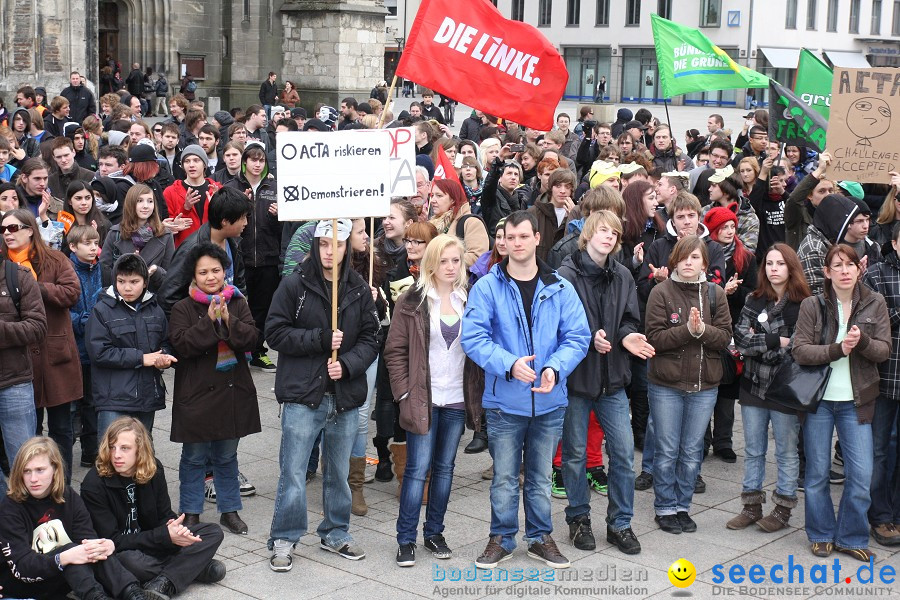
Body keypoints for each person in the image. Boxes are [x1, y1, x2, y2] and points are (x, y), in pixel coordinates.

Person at [461, 210, 590, 570]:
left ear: (537, 238)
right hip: (505, 401)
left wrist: (554, 367)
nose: (516, 243)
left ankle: (539, 537)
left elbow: (577, 337)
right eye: (509, 237)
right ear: (502, 241)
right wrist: (508, 363)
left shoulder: (560, 286)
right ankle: (501, 538)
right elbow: (473, 337)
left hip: (549, 400)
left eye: (523, 236)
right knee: (503, 477)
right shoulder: (488, 285)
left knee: (539, 476)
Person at [266, 219, 379, 572]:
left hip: (343, 393)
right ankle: (284, 537)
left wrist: (346, 364)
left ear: (348, 247)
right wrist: (318, 339)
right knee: (294, 471)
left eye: (339, 244)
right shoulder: (294, 284)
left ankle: (335, 531)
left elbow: (372, 338)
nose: (331, 252)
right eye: (325, 244)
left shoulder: (359, 288)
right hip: (303, 394)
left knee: (338, 472)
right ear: (315, 245)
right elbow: (274, 333)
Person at [557, 211, 651, 555]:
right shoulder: (565, 275)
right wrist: (586, 339)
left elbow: (628, 319)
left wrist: (625, 337)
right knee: (575, 455)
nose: (609, 237)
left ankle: (620, 523)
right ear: (587, 235)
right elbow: (559, 325)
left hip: (613, 380)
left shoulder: (623, 274)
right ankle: (578, 518)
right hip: (578, 381)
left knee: (624, 455)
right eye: (603, 231)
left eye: (615, 232)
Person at [793, 244, 890, 561]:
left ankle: (851, 536)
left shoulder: (874, 302)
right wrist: (838, 350)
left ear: (859, 269)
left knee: (861, 476)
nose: (845, 270)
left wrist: (860, 341)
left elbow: (883, 351)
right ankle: (820, 533)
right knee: (818, 473)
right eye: (838, 265)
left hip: (857, 401)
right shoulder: (813, 304)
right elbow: (800, 351)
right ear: (827, 271)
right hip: (819, 401)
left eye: (850, 264)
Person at [384, 234, 471, 566]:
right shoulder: (413, 300)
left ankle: (434, 532)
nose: (450, 267)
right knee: (417, 470)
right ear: (431, 264)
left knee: (445, 469)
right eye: (444, 261)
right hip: (422, 397)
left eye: (455, 261)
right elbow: (394, 351)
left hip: (457, 400)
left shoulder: (470, 298)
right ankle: (405, 538)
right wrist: (404, 392)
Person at [169, 243, 261, 536]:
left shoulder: (237, 302)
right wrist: (209, 321)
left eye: (216, 271)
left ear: (225, 272)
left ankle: (230, 511)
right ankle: (191, 511)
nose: (211, 277)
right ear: (193, 276)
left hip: (231, 391)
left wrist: (227, 319)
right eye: (203, 272)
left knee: (226, 456)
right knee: (194, 457)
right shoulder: (183, 307)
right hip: (196, 394)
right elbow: (182, 345)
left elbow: (252, 339)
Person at [80, 417, 227, 599]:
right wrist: (164, 536)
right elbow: (112, 541)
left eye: (125, 448)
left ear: (139, 450)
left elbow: (163, 515)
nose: (116, 454)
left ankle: (163, 581)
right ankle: (190, 571)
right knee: (130, 563)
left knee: (212, 532)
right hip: (125, 551)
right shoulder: (94, 483)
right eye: (112, 447)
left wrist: (175, 528)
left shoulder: (153, 468)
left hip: (154, 544)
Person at [644, 235, 732, 534]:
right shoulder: (661, 292)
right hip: (666, 385)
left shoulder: (715, 294)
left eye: (695, 257)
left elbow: (724, 337)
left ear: (704, 262)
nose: (689, 262)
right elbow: (654, 338)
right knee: (667, 449)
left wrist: (702, 330)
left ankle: (683, 506)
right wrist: (687, 331)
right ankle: (665, 506)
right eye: (684, 257)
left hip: (704, 385)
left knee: (692, 449)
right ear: (675, 260)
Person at [0, 436, 149, 600]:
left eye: (40, 470)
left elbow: (86, 538)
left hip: (65, 579)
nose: (33, 479)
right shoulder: (11, 507)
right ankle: (96, 596)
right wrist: (62, 558)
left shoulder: (68, 496)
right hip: (25, 586)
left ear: (55, 469)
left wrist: (101, 546)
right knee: (70, 550)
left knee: (93, 547)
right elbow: (23, 567)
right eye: (26, 471)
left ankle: (133, 593)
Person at [730, 244, 810, 532]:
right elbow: (740, 341)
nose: (773, 268)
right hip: (753, 384)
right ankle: (751, 506)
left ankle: (783, 509)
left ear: (791, 267)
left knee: (787, 452)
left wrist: (760, 342)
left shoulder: (803, 305)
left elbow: (799, 347)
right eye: (769, 263)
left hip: (784, 388)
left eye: (780, 263)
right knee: (753, 449)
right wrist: (776, 341)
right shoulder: (753, 300)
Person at [1, 208, 81, 482]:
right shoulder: (3, 264)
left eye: (13, 228)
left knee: (61, 428)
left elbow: (73, 292)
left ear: (29, 230)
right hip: (19, 362)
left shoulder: (54, 258)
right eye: (3, 229)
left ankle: (64, 486)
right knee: (27, 433)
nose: (7, 234)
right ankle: (35, 485)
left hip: (55, 355)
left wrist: (36, 287)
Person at [86, 253, 176, 437]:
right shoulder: (102, 310)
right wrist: (141, 358)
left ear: (145, 282)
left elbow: (166, 342)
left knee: (142, 454)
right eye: (121, 281)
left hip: (146, 395)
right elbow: (99, 352)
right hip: (113, 399)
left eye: (134, 282)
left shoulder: (155, 309)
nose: (127, 287)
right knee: (111, 455)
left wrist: (164, 357)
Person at [225, 141, 281, 371]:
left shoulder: (275, 187)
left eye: (261, 160)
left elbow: (285, 228)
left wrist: (281, 215)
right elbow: (225, 221)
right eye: (253, 159)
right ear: (245, 161)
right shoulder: (231, 186)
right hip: (241, 257)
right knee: (238, 307)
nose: (257, 164)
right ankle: (237, 349)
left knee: (263, 308)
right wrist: (243, 206)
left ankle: (258, 350)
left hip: (268, 258)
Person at [862, 222, 900, 546]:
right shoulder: (876, 274)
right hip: (887, 374)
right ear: (896, 242)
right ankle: (880, 515)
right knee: (881, 448)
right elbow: (873, 322)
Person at [0, 241, 46, 494]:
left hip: (14, 383)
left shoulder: (19, 277)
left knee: (25, 462)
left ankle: (30, 520)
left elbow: (38, 327)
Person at [67, 225, 104, 470]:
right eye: (87, 244)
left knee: (92, 402)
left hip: (92, 349)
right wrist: (85, 320)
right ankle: (63, 454)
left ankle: (90, 453)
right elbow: (63, 312)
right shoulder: (68, 270)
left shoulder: (96, 267)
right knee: (71, 405)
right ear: (73, 247)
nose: (93, 248)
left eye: (95, 243)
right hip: (73, 348)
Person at [101, 184, 175, 293]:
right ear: (131, 204)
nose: (146, 206)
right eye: (140, 201)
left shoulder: (165, 235)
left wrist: (155, 271)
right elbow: (104, 272)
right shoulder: (115, 233)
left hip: (151, 301)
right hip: (121, 299)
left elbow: (170, 276)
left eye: (150, 201)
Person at [428, 179, 489, 267]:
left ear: (453, 199)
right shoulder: (431, 224)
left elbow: (478, 257)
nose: (433, 200)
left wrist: (442, 262)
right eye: (432, 195)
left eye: (439, 196)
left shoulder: (471, 223)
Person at [62, 180, 112, 252]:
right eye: (78, 198)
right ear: (70, 201)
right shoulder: (62, 225)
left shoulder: (103, 225)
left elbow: (107, 256)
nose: (84, 203)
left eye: (88, 198)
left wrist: (94, 238)